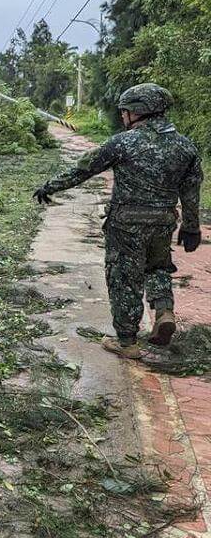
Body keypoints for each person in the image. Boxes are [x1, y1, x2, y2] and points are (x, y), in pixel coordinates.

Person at [33, 83, 204, 359]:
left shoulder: (123, 142)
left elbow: (84, 169)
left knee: (124, 279)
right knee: (158, 267)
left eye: (125, 112)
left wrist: (49, 186)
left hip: (125, 224)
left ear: (137, 112)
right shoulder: (185, 147)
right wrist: (191, 226)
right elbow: (191, 190)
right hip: (163, 222)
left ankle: (127, 342)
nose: (123, 117)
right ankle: (164, 310)